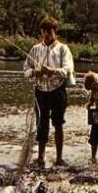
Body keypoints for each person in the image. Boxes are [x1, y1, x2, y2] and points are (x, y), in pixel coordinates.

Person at [23, 15, 74, 167]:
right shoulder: (35, 49)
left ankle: (59, 158)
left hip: (58, 91)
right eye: (44, 31)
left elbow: (68, 70)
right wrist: (34, 73)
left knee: (58, 124)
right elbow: (25, 69)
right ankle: (41, 157)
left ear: (55, 31)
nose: (46, 34)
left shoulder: (63, 49)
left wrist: (52, 71)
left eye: (49, 31)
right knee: (41, 124)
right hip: (40, 91)